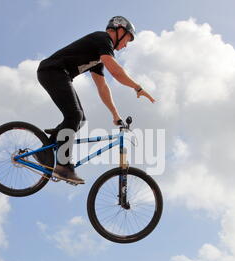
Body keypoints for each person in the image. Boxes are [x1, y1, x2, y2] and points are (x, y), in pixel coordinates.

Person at [37, 16, 155, 184]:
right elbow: (115, 71)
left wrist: (115, 115)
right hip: (52, 71)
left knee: (80, 119)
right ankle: (63, 166)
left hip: (58, 74)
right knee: (75, 115)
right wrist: (137, 87)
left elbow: (102, 87)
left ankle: (45, 150)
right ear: (119, 31)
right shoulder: (103, 39)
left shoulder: (99, 56)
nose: (125, 46)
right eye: (127, 40)